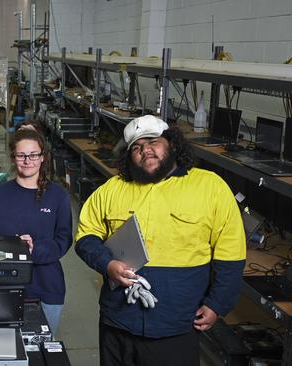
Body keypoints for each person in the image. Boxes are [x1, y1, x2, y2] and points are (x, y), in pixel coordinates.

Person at [75, 115, 246, 365]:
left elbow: (230, 253)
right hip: (118, 320)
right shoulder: (113, 189)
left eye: (153, 142)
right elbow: (86, 235)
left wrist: (218, 303)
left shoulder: (210, 187)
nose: (145, 150)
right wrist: (107, 264)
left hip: (177, 323)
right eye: (137, 147)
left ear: (172, 144)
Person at [0, 127, 72, 336]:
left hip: (46, 286)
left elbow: (63, 240)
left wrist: (34, 248)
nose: (28, 161)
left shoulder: (58, 196)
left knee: (40, 348)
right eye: (21, 155)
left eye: (33, 155)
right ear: (13, 157)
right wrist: (7, 247)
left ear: (43, 157)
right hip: (1, 287)